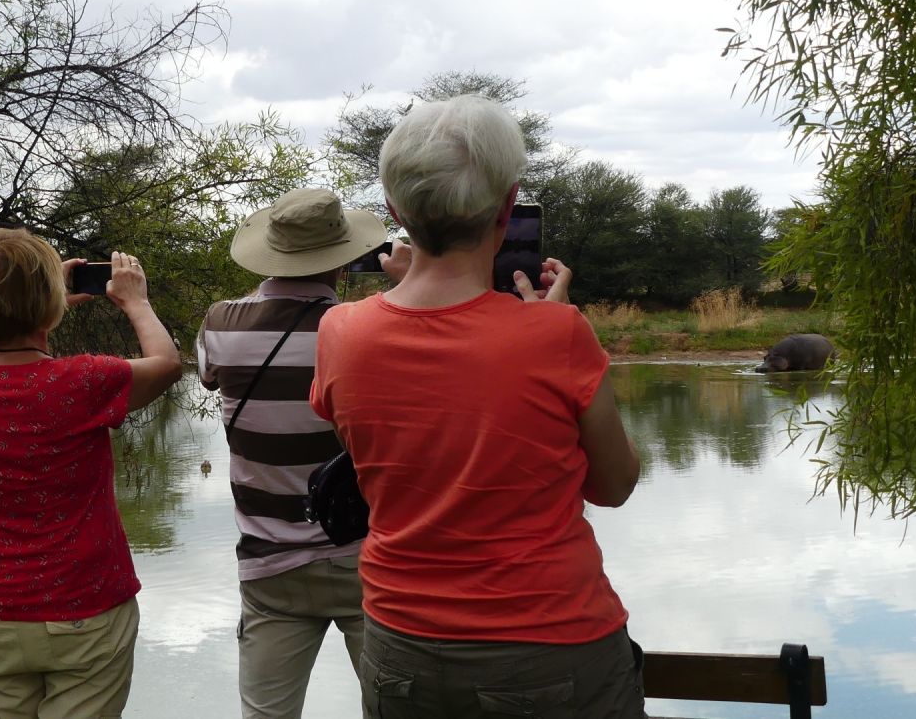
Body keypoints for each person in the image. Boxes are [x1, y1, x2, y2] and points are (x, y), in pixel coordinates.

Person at [309, 95, 646, 719]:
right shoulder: (558, 333)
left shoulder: (341, 332)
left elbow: (398, 452)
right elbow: (615, 484)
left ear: (393, 211)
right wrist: (551, 327)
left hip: (400, 643)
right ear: (508, 206)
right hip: (547, 643)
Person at [0, 229, 181, 719]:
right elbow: (166, 364)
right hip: (85, 605)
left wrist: (44, 303)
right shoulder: (84, 380)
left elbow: (14, 343)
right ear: (49, 304)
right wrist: (135, 302)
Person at [197, 188, 387, 719]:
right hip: (367, 559)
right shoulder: (369, 329)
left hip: (269, 563)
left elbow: (210, 378)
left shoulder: (220, 323)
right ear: (343, 257)